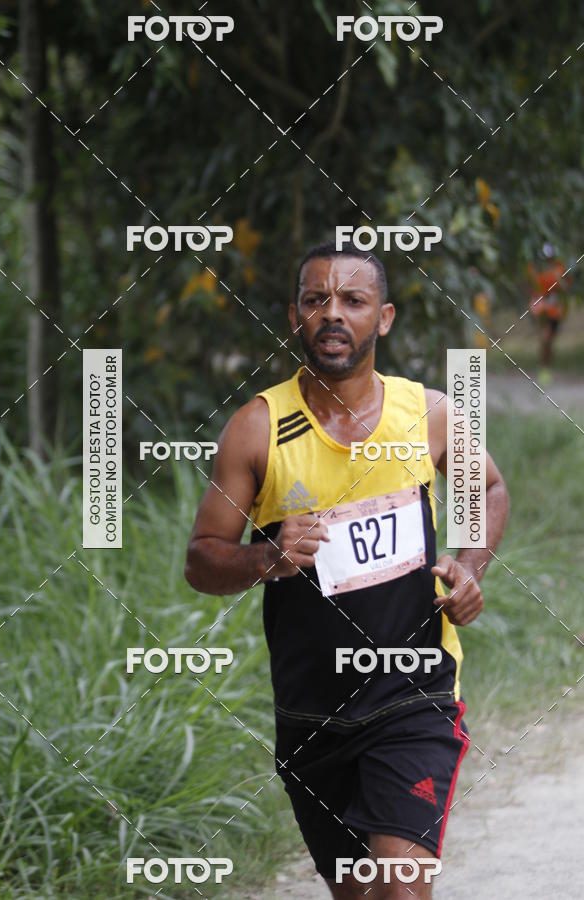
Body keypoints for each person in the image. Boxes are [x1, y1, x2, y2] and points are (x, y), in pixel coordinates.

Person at [185, 242, 510, 899]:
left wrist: (471, 568)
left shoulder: (428, 413)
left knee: (399, 884)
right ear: (294, 317)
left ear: (383, 319)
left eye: (353, 300)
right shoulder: (256, 427)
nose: (333, 313)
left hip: (413, 698)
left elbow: (489, 490)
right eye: (316, 300)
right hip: (311, 714)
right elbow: (202, 559)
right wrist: (264, 558)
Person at [527, 243, 571, 381]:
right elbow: (531, 287)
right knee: (545, 338)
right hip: (541, 309)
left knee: (549, 340)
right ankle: (544, 369)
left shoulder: (560, 269)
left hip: (554, 310)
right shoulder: (534, 269)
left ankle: (546, 366)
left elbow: (565, 288)